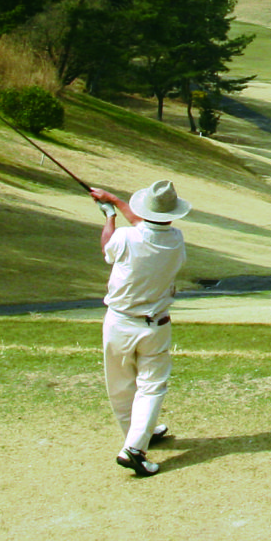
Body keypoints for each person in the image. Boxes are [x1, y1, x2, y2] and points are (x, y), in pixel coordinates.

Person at [90, 178, 190, 477]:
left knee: (121, 385)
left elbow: (108, 247)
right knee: (151, 386)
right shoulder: (176, 239)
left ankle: (134, 443)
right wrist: (115, 201)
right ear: (172, 214)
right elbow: (147, 227)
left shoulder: (124, 237)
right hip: (155, 325)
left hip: (119, 322)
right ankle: (138, 439)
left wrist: (109, 214)